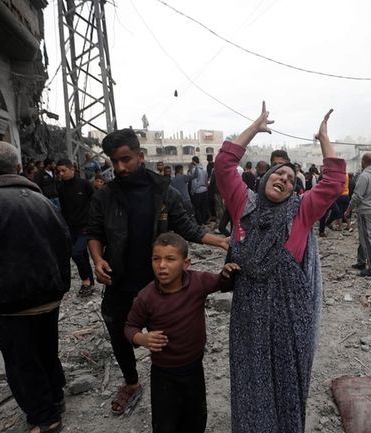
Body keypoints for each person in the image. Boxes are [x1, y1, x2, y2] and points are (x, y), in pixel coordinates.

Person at [215, 103, 345, 433]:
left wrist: (323, 139)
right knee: (251, 376)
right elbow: (225, 163)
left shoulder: (301, 212)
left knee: (288, 380)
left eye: (290, 178)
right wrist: (254, 128)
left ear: (293, 189)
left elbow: (333, 181)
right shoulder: (244, 204)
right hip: (250, 316)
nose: (284, 179)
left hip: (291, 318)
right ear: (264, 178)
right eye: (278, 174)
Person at [86, 129, 227, 416]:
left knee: (168, 340)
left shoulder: (164, 192)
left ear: (141, 156)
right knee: (121, 334)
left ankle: (175, 384)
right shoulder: (106, 196)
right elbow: (94, 232)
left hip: (159, 285)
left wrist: (222, 241)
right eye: (114, 162)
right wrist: (98, 259)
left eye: (125, 159)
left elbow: (188, 228)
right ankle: (131, 382)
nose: (119, 168)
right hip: (119, 281)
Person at [0, 141, 70, 433]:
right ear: (19, 168)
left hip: (11, 303)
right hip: (48, 296)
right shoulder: (43, 200)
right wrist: (61, 287)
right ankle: (55, 398)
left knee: (22, 362)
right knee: (46, 350)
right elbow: (63, 245)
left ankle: (45, 419)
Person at [125, 233, 238, 433]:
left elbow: (222, 283)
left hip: (194, 369)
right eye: (156, 259)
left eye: (170, 259)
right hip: (163, 374)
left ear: (186, 263)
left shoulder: (198, 282)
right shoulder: (146, 297)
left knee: (196, 420)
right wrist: (142, 338)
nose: (162, 265)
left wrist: (227, 272)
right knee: (165, 424)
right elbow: (129, 327)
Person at [56, 158, 96, 297]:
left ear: (72, 169)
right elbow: (63, 208)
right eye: (58, 171)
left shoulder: (84, 184)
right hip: (70, 227)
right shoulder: (60, 187)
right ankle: (90, 282)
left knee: (77, 253)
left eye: (63, 170)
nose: (61, 174)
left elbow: (95, 203)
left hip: (85, 226)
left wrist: (93, 222)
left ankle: (86, 281)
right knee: (81, 255)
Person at [345, 152, 371, 278]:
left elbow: (357, 196)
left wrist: (348, 210)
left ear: (363, 162)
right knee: (366, 237)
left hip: (365, 211)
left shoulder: (364, 176)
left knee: (368, 239)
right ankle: (361, 261)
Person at [189, 156, 210, 225]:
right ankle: (205, 221)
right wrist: (206, 189)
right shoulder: (204, 168)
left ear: (193, 161)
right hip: (205, 190)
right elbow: (206, 180)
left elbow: (194, 182)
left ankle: (200, 222)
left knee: (197, 208)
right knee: (204, 207)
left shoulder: (194, 170)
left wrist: (192, 192)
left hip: (197, 191)